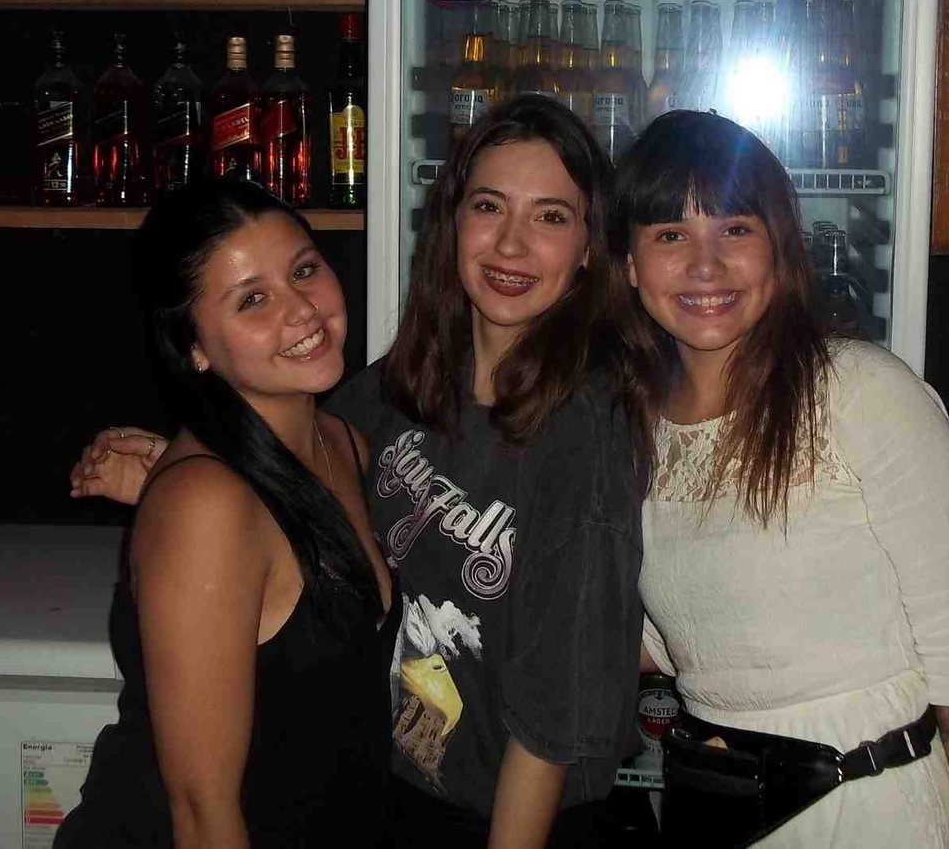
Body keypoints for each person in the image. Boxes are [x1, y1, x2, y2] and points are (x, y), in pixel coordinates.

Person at [71, 96, 646, 849]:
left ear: (590, 247)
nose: (511, 242)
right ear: (451, 221)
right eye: (488, 206)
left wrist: (187, 491)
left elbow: (553, 715)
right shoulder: (391, 396)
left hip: (495, 817)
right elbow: (266, 484)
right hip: (378, 797)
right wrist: (177, 486)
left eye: (551, 216)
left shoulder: (582, 432)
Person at [610, 110, 949, 849]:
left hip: (870, 808)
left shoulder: (862, 394)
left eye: (736, 229)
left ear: (779, 249)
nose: (706, 265)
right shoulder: (631, 430)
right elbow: (682, 637)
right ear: (631, 264)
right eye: (670, 235)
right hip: (716, 806)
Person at [55, 178, 394, 849]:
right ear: (196, 348)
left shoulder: (343, 443)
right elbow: (201, 811)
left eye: (304, 270)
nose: (302, 310)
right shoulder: (203, 506)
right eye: (252, 299)